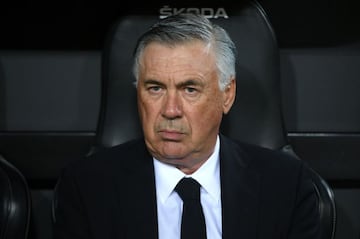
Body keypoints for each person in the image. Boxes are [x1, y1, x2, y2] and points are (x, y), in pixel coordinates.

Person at [53, 13, 320, 239]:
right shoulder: (86, 189)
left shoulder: (287, 186)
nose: (170, 110)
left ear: (227, 94)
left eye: (189, 89)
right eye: (155, 88)